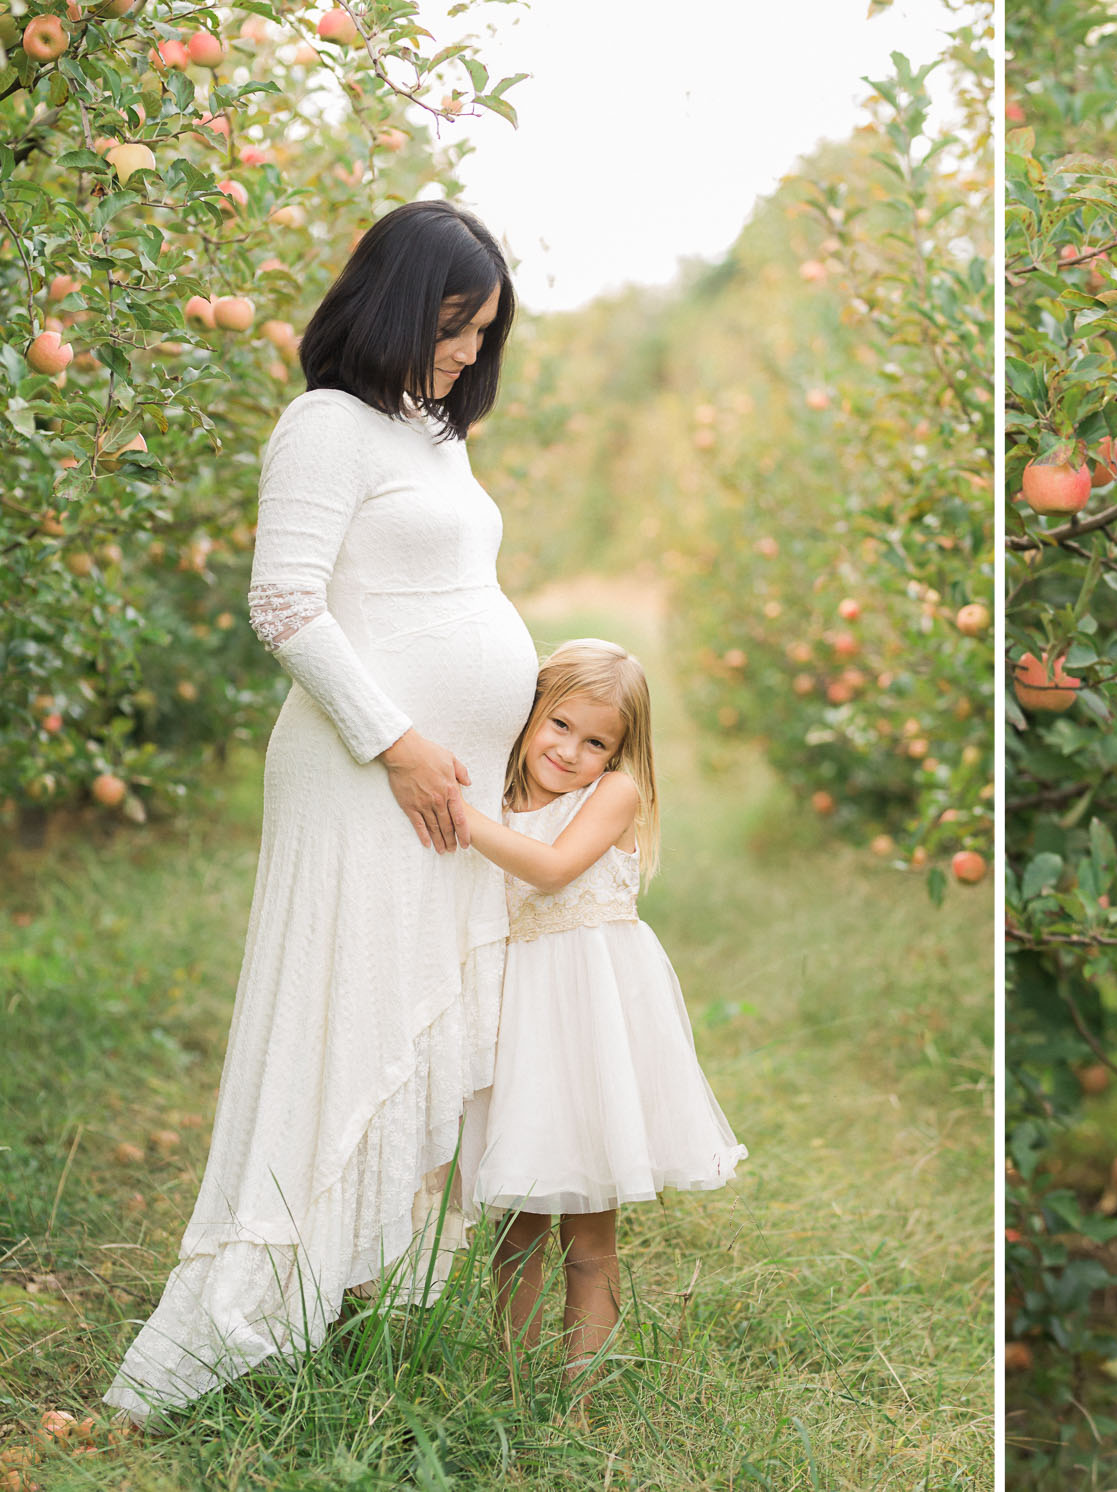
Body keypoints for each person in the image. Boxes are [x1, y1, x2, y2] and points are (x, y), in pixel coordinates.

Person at [107, 200, 538, 1421]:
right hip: (363, 774)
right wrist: (397, 743)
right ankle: (258, 1304)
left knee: (418, 1008)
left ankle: (368, 1292)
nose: (466, 356)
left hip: (444, 784)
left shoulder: (432, 438)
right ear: (400, 300)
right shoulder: (325, 426)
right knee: (346, 1014)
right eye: (456, 327)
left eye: (484, 335)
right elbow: (287, 605)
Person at [457, 639, 746, 1390]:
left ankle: (581, 1390)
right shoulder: (497, 791)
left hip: (592, 1022)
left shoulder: (612, 795)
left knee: (590, 1229)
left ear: (620, 752)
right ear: (528, 715)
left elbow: (550, 871)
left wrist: (459, 815)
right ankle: (514, 1386)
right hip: (521, 1023)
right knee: (518, 1222)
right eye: (558, 726)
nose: (571, 751)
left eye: (596, 741)